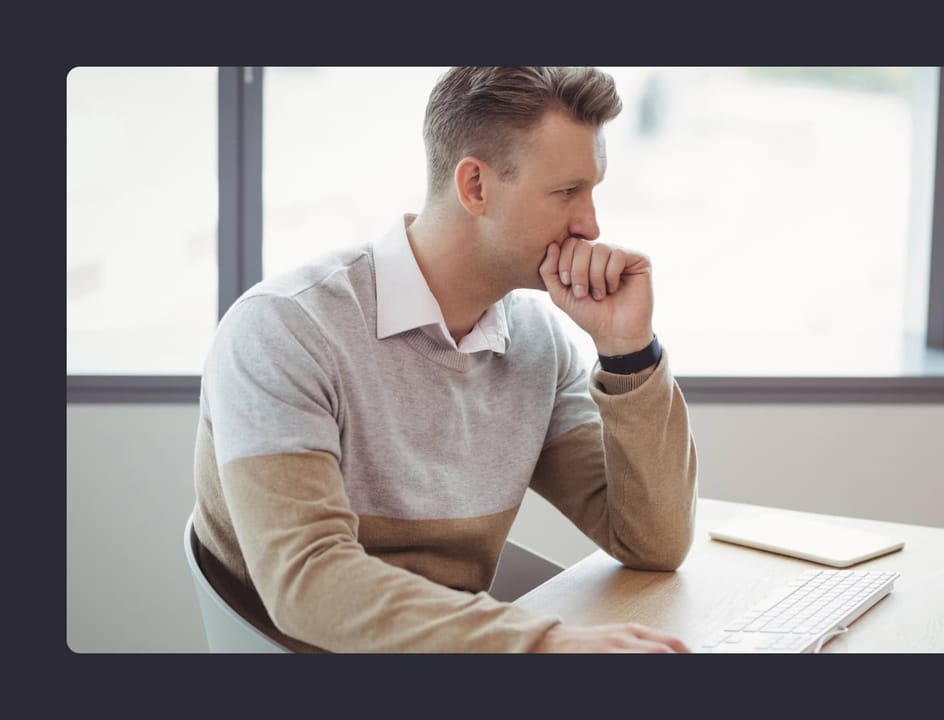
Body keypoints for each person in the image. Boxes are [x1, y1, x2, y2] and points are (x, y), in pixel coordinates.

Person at [190, 66, 698, 653]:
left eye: (592, 191)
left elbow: (654, 542)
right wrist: (544, 646)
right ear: (475, 186)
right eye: (566, 192)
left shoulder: (535, 342)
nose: (590, 224)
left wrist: (628, 351)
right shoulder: (286, 328)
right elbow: (307, 583)